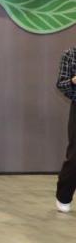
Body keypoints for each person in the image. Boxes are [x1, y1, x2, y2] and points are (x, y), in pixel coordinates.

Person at [53, 46, 76, 213]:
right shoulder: (71, 54)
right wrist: (73, 81)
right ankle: (64, 196)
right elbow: (61, 84)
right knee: (75, 157)